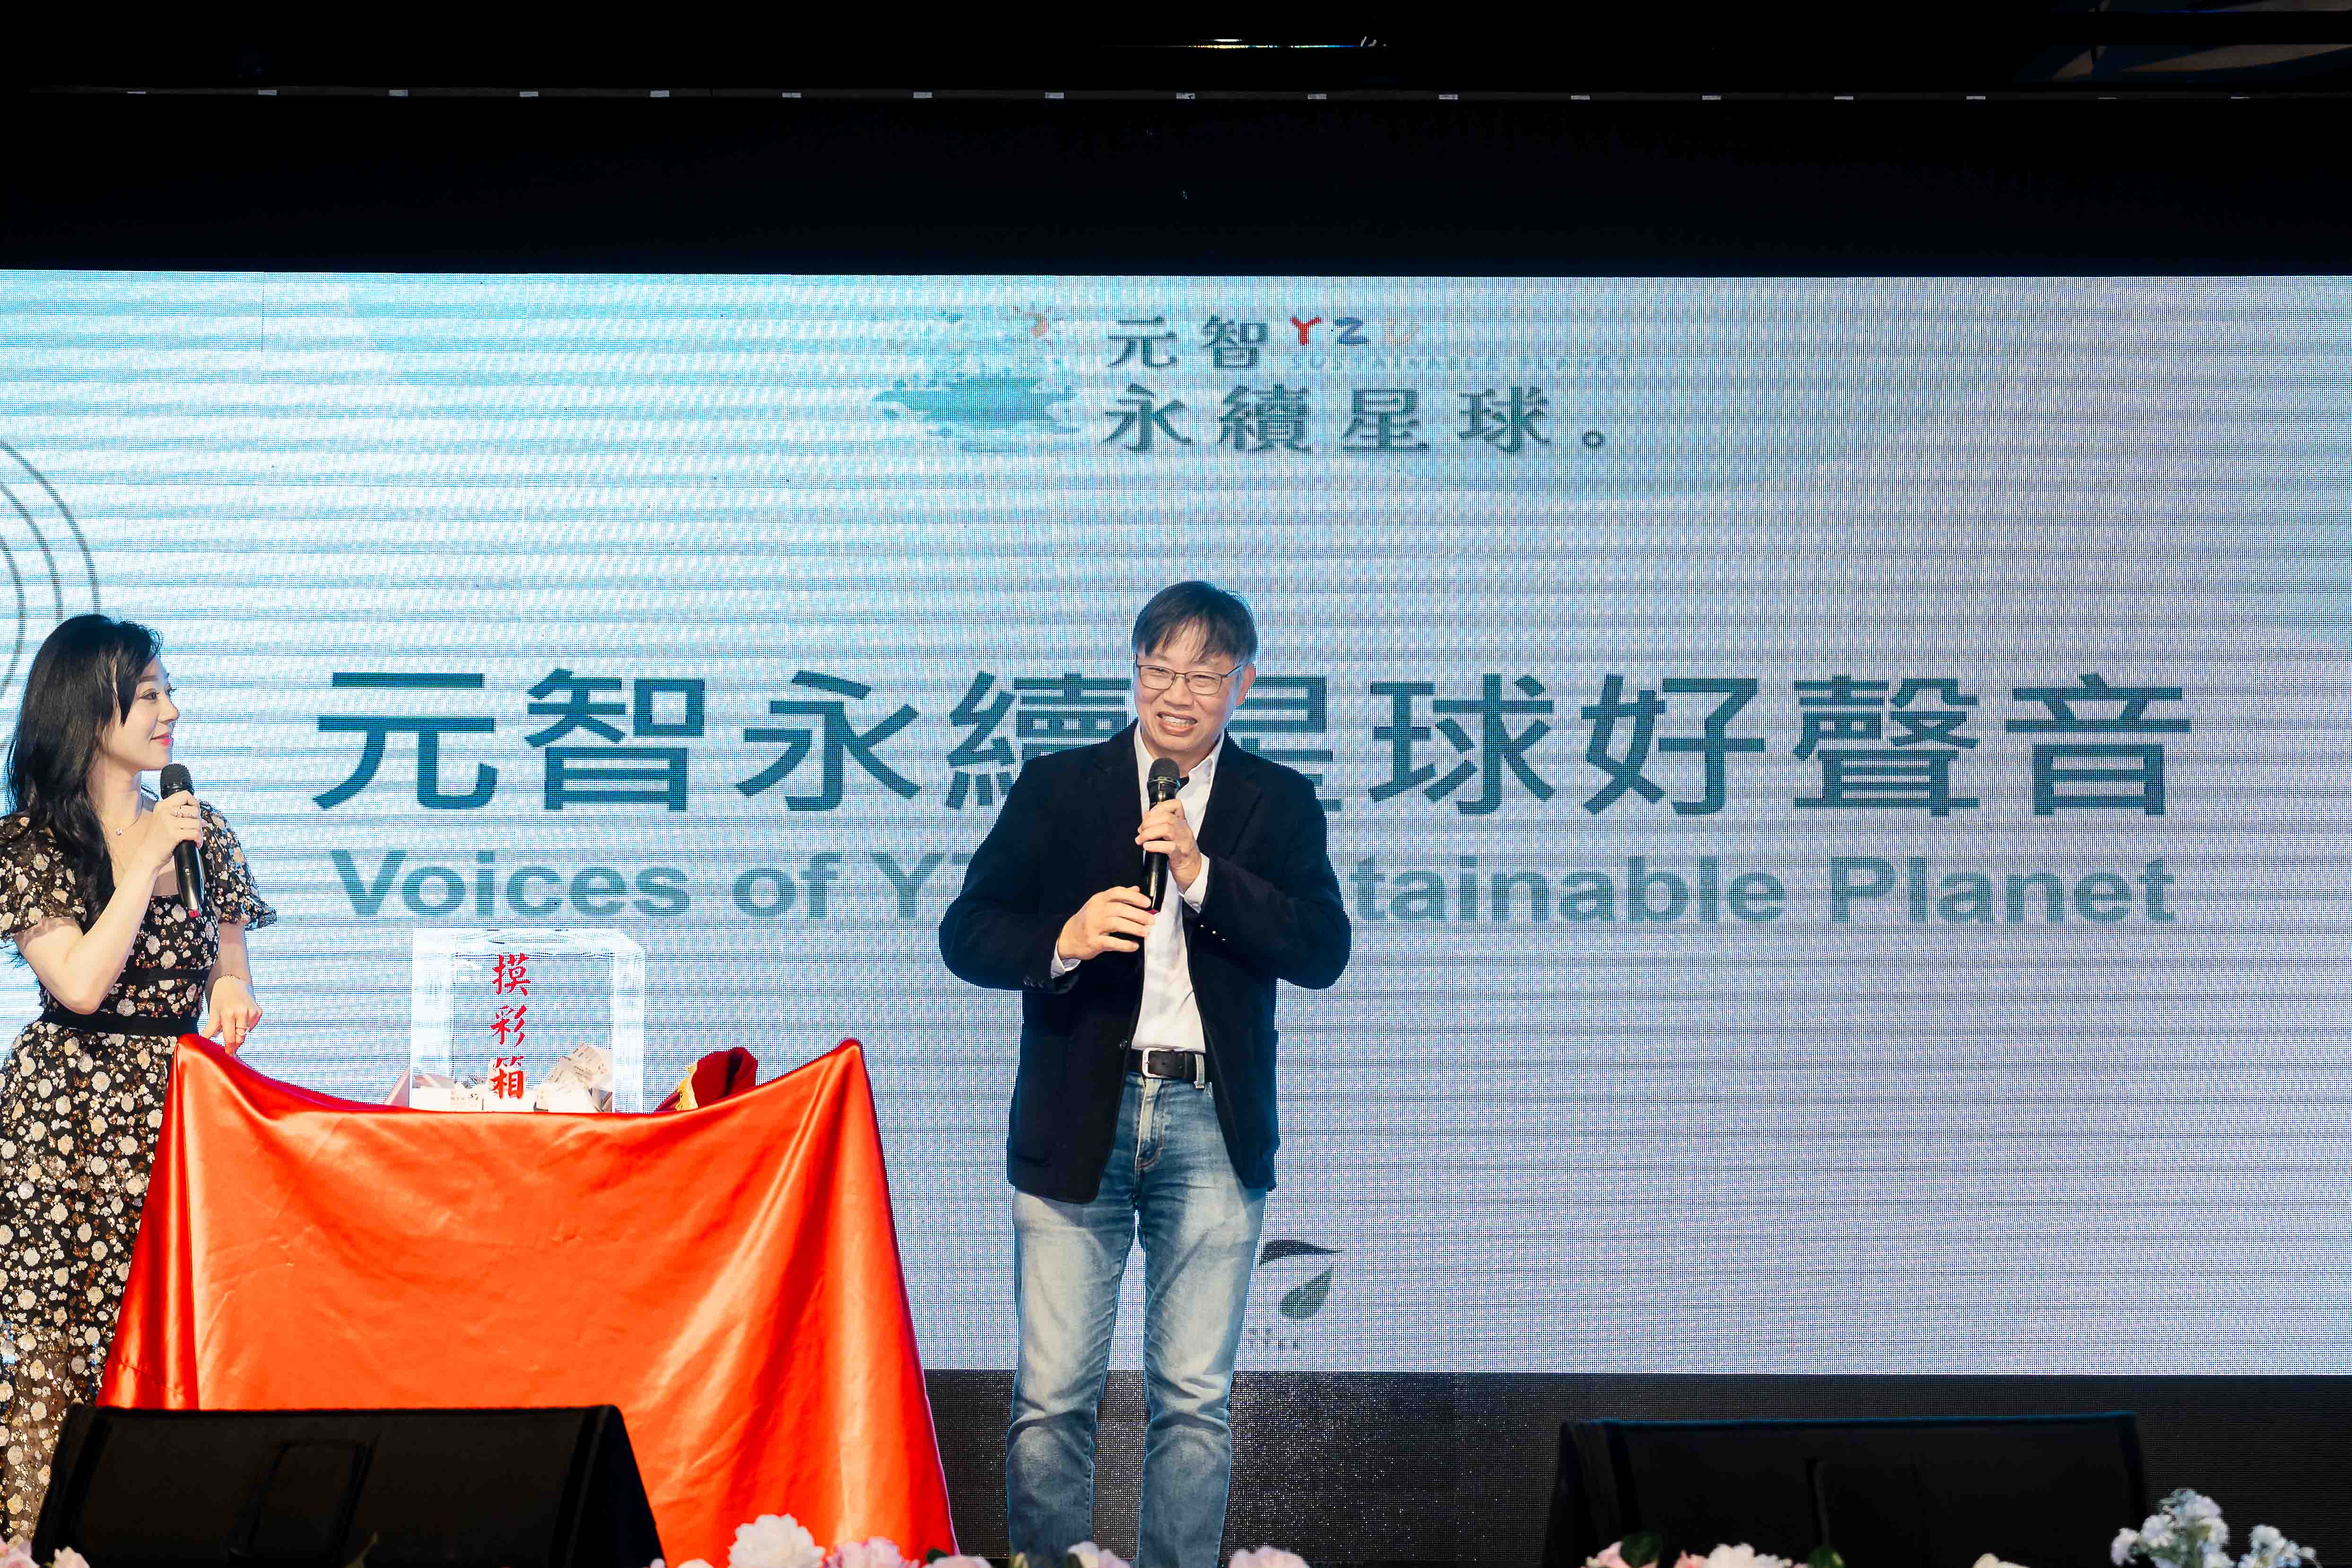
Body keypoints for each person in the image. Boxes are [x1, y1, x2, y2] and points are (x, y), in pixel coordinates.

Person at [940, 582, 1350, 1568]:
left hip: (1212, 1117)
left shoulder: (1278, 800)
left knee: (1195, 1400)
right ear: (1134, 672)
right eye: (1158, 671)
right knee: (1052, 1397)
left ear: (1242, 685)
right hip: (1079, 1111)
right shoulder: (1058, 785)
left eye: (1203, 677)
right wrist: (1064, 937)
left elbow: (1323, 948)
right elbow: (967, 932)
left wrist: (1203, 875)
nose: (1176, 695)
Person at [0, 615, 274, 1523]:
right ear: (90, 709)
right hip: (66, 1115)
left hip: (180, 1107)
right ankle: (30, 1536)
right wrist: (140, 860)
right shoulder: (32, 843)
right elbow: (80, 984)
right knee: (55, 1340)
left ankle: (153, 1524)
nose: (171, 712)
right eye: (149, 694)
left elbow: (228, 960)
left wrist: (231, 992)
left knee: (167, 1323)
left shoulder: (202, 829)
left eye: (168, 691)